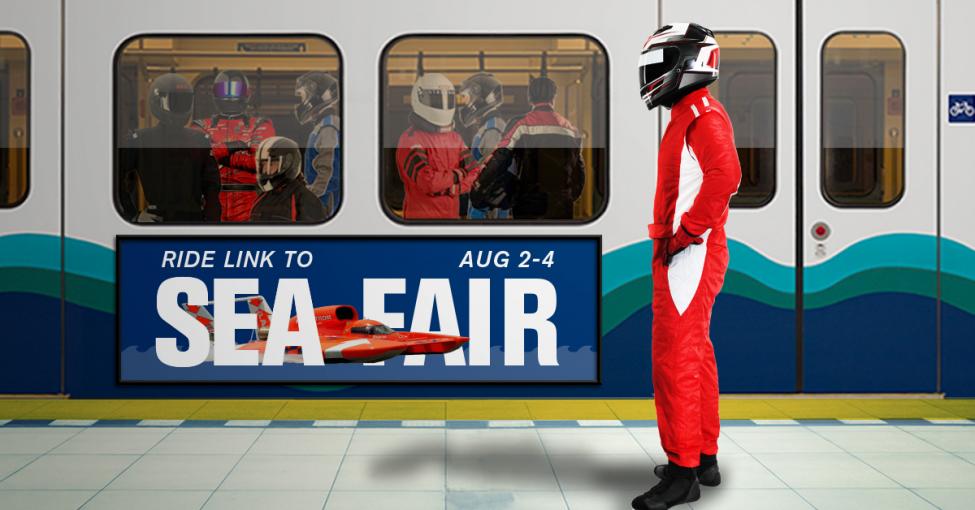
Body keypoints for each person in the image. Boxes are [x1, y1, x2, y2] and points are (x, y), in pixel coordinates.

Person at [631, 23, 740, 510]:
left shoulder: (700, 115)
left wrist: (686, 234)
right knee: (697, 354)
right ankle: (704, 456)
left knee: (675, 360)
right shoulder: (692, 111)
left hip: (688, 255)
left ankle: (682, 474)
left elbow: (726, 176)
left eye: (659, 63)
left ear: (688, 63)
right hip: (687, 251)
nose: (652, 74)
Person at [470, 76, 585, 220]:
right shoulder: (570, 129)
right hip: (561, 204)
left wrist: (479, 186)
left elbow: (500, 159)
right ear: (553, 97)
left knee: (529, 242)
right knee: (557, 242)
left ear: (530, 97)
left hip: (528, 202)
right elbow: (578, 169)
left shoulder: (521, 126)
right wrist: (570, 195)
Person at [118, 73, 220, 222]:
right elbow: (114, 179)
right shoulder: (140, 140)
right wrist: (134, 215)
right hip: (158, 219)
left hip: (194, 220)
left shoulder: (200, 140)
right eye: (176, 102)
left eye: (184, 102)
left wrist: (211, 222)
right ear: (158, 102)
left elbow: (212, 186)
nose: (180, 108)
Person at [192, 70, 276, 222]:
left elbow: (259, 161)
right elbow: (195, 160)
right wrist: (237, 146)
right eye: (224, 90)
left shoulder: (261, 124)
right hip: (210, 202)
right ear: (214, 94)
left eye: (236, 90)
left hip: (250, 202)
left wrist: (218, 152)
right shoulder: (200, 125)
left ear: (247, 94)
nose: (230, 96)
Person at [395, 73, 479, 219]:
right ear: (419, 98)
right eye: (435, 99)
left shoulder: (455, 139)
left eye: (447, 99)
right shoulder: (409, 141)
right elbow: (429, 182)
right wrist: (459, 174)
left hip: (451, 222)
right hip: (420, 225)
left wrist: (454, 188)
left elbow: (475, 171)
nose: (443, 104)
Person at [456, 72, 509, 219]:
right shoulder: (489, 126)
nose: (465, 104)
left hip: (487, 211)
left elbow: (494, 176)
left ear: (479, 98)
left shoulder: (493, 129)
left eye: (467, 98)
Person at [294, 71, 341, 217]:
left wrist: (309, 195)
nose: (300, 103)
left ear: (315, 97)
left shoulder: (328, 127)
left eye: (301, 97)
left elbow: (329, 172)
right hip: (321, 201)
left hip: (325, 205)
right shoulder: (323, 125)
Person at [249, 136, 327, 223]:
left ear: (287, 164)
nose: (264, 170)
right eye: (263, 164)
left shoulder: (305, 199)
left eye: (271, 164)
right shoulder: (263, 197)